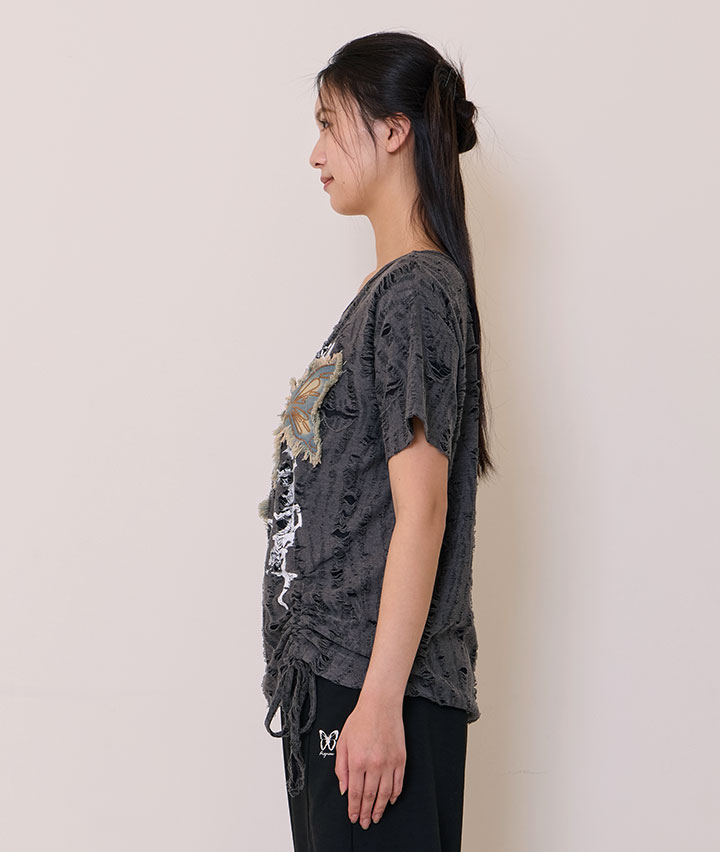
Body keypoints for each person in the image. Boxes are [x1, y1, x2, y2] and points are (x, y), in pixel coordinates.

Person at [257, 29, 495, 852]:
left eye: (330, 123)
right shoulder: (388, 292)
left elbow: (420, 509)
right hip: (336, 688)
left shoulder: (417, 292)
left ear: (394, 130)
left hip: (374, 694)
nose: (316, 152)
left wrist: (382, 702)